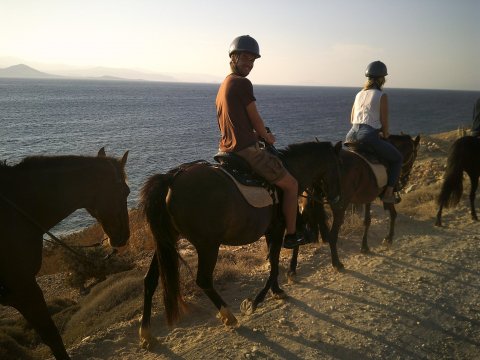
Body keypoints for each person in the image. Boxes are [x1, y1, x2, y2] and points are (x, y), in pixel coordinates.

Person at [215, 35, 309, 249]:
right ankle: (292, 235)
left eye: (252, 61)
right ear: (233, 57)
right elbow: (255, 117)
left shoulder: (224, 85)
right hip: (246, 151)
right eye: (245, 59)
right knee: (292, 185)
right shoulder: (242, 83)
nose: (249, 64)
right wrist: (266, 136)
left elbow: (232, 121)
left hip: (225, 148)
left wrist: (254, 134)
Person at [345, 60, 403, 203]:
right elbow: (384, 122)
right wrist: (385, 133)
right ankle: (388, 194)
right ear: (382, 79)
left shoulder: (359, 94)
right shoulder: (381, 95)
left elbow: (352, 118)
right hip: (368, 136)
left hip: (351, 135)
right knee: (397, 159)